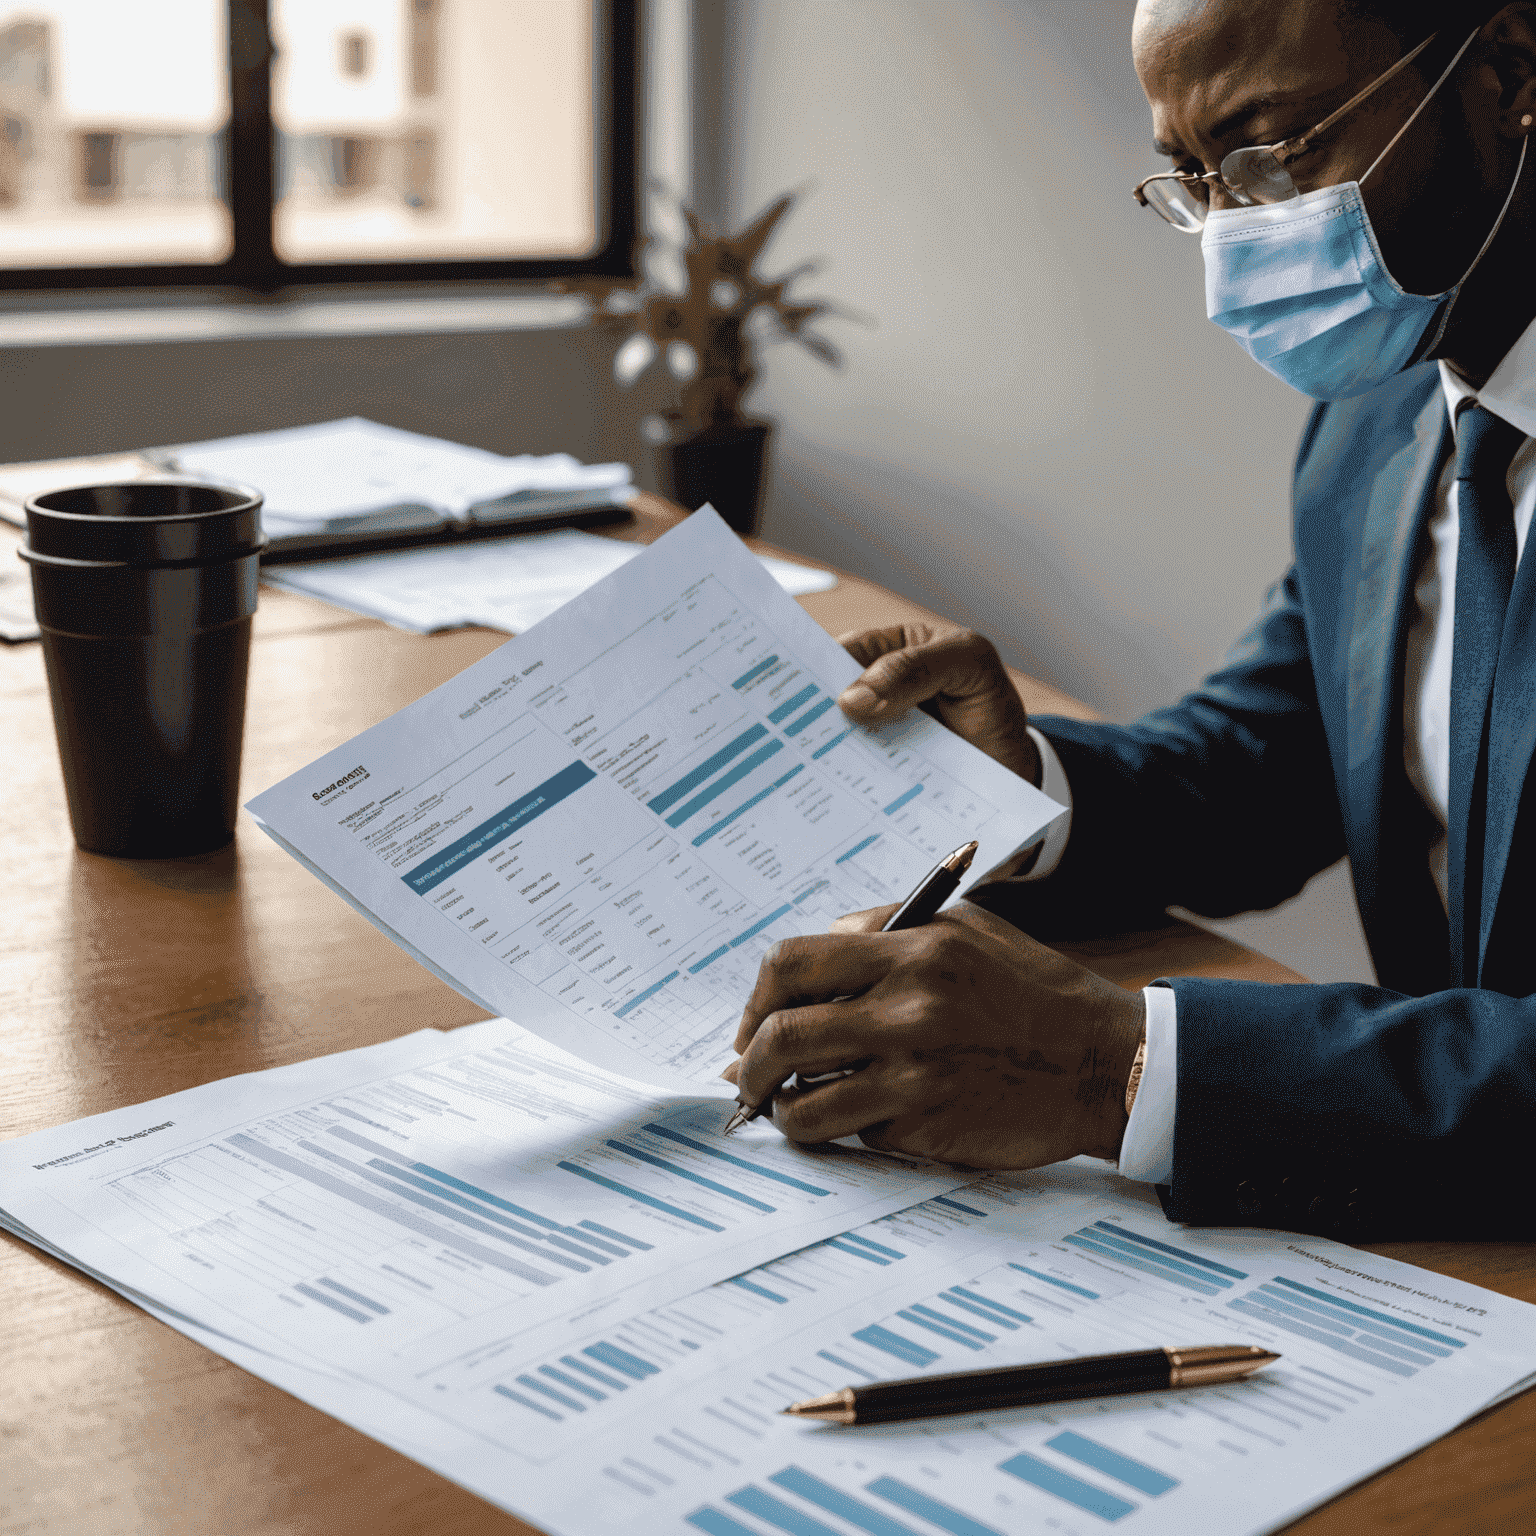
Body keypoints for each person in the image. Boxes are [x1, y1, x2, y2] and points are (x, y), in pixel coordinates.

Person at [726, 0, 1536, 1239]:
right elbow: (1276, 758)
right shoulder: (1380, 422)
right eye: (1196, 181)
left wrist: (1128, 1064)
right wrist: (1026, 787)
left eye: (1276, 154)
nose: (1235, 240)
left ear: (1508, 73)